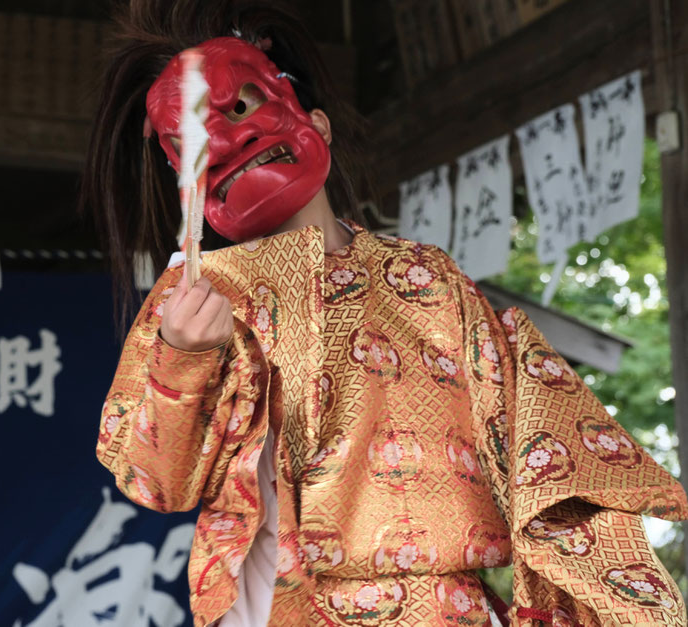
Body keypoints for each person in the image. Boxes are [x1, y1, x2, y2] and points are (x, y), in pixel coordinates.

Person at [82, 1, 688, 625]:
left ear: (317, 123)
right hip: (274, 603)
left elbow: (541, 443)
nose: (227, 139)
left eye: (241, 107)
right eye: (191, 139)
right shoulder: (193, 295)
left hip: (441, 607)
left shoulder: (428, 279)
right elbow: (157, 483)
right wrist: (183, 358)